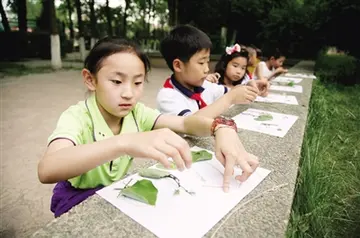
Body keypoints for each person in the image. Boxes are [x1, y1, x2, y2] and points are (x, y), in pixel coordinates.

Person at [38, 37, 259, 217]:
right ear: (90, 79)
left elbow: (185, 123)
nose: (128, 93)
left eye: (137, 82)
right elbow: (47, 169)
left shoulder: (137, 112)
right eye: (116, 81)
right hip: (76, 198)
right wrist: (124, 143)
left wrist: (222, 127)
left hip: (114, 193)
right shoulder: (78, 116)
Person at [156, 25, 259, 119]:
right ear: (178, 65)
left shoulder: (205, 86)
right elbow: (190, 124)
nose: (207, 69)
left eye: (207, 62)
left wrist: (248, 86)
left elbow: (230, 90)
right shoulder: (168, 97)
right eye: (201, 63)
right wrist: (229, 98)